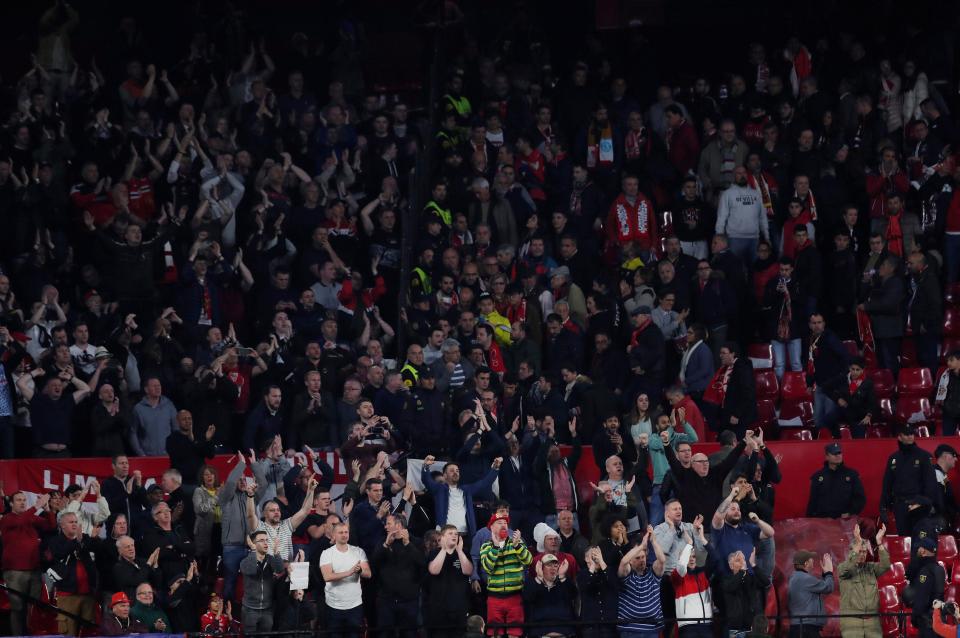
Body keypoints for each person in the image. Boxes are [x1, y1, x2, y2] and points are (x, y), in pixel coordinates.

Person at [1, 491, 54, 634]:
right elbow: (20, 521)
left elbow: (51, 526)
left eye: (24, 500)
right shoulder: (7, 519)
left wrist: (48, 510)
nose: (23, 502)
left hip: (34, 569)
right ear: (11, 503)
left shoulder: (30, 518)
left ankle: (32, 635)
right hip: (15, 571)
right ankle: (18, 637)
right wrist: (37, 506)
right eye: (18, 500)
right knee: (17, 609)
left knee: (34, 608)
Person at [480, 512, 533, 637]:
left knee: (515, 633)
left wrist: (517, 545)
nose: (503, 525)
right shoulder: (486, 546)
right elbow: (487, 568)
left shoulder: (516, 543)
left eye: (505, 523)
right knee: (495, 633)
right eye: (499, 523)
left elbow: (529, 561)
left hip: (515, 597)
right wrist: (496, 547)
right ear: (491, 527)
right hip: (494, 598)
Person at [880, 425, 939, 534]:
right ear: (900, 437)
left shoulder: (924, 456)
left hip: (919, 506)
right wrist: (883, 507)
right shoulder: (894, 458)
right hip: (900, 506)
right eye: (906, 434)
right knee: (904, 539)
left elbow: (931, 483)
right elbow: (887, 484)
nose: (910, 436)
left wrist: (923, 502)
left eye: (912, 434)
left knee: (920, 541)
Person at [319, 522, 371, 638]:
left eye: (346, 532)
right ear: (334, 535)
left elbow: (368, 573)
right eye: (341, 532)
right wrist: (350, 572)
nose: (344, 535)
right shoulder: (327, 553)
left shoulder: (358, 551)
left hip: (354, 606)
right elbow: (327, 577)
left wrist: (360, 571)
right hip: (334, 606)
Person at [838, 523, 890, 638]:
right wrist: (857, 542)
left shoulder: (871, 568)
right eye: (860, 551)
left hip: (873, 623)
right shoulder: (843, 568)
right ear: (852, 551)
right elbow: (849, 566)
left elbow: (886, 565)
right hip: (852, 623)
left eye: (864, 552)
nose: (862, 554)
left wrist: (879, 542)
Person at [617, 526, 667, 637]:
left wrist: (653, 541)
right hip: (629, 629)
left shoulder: (653, 573)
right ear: (631, 560)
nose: (642, 560)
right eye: (637, 558)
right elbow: (623, 562)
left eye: (643, 557)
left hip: (652, 629)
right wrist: (641, 546)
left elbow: (662, 560)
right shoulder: (627, 574)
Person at [426, 525, 474, 638]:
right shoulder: (434, 553)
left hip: (459, 608)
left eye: (456, 534)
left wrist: (460, 551)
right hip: (439, 609)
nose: (454, 536)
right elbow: (434, 570)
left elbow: (468, 571)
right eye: (450, 533)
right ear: (442, 537)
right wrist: (443, 549)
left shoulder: (464, 553)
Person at [716, 166, 769, 265]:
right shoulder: (727, 194)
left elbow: (762, 217)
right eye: (738, 173)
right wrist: (719, 238)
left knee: (755, 270)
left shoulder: (756, 194)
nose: (742, 175)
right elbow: (721, 217)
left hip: (754, 239)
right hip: (734, 239)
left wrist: (767, 237)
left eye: (744, 173)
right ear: (734, 176)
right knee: (736, 270)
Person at [240, 530, 286, 633]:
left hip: (267, 609)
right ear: (253, 544)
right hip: (250, 610)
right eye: (261, 540)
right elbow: (251, 570)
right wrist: (252, 551)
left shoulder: (270, 559)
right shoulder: (245, 562)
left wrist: (276, 552)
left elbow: (280, 569)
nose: (266, 543)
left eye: (266, 540)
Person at [806, 443, 867, 519]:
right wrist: (809, 520)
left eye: (839, 453)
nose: (838, 455)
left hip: (845, 521)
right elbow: (812, 502)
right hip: (823, 522)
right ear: (827, 457)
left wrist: (850, 512)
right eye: (834, 453)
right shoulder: (817, 477)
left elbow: (860, 498)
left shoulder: (852, 475)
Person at [787, 550, 834, 638]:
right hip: (806, 629)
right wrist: (829, 572)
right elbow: (829, 587)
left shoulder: (796, 577)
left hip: (800, 627)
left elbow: (820, 587)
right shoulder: (804, 579)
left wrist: (825, 574)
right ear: (806, 563)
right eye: (811, 559)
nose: (813, 560)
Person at [909, 537, 946, 637]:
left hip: (928, 625)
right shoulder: (940, 569)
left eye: (918, 548)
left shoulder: (925, 572)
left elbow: (922, 600)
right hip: (940, 622)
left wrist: (914, 618)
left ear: (922, 550)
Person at [936, 351, 960, 436]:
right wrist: (945, 406)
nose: (948, 363)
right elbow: (938, 392)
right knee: (947, 439)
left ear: (959, 360)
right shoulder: (945, 376)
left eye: (951, 360)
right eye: (947, 361)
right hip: (949, 413)